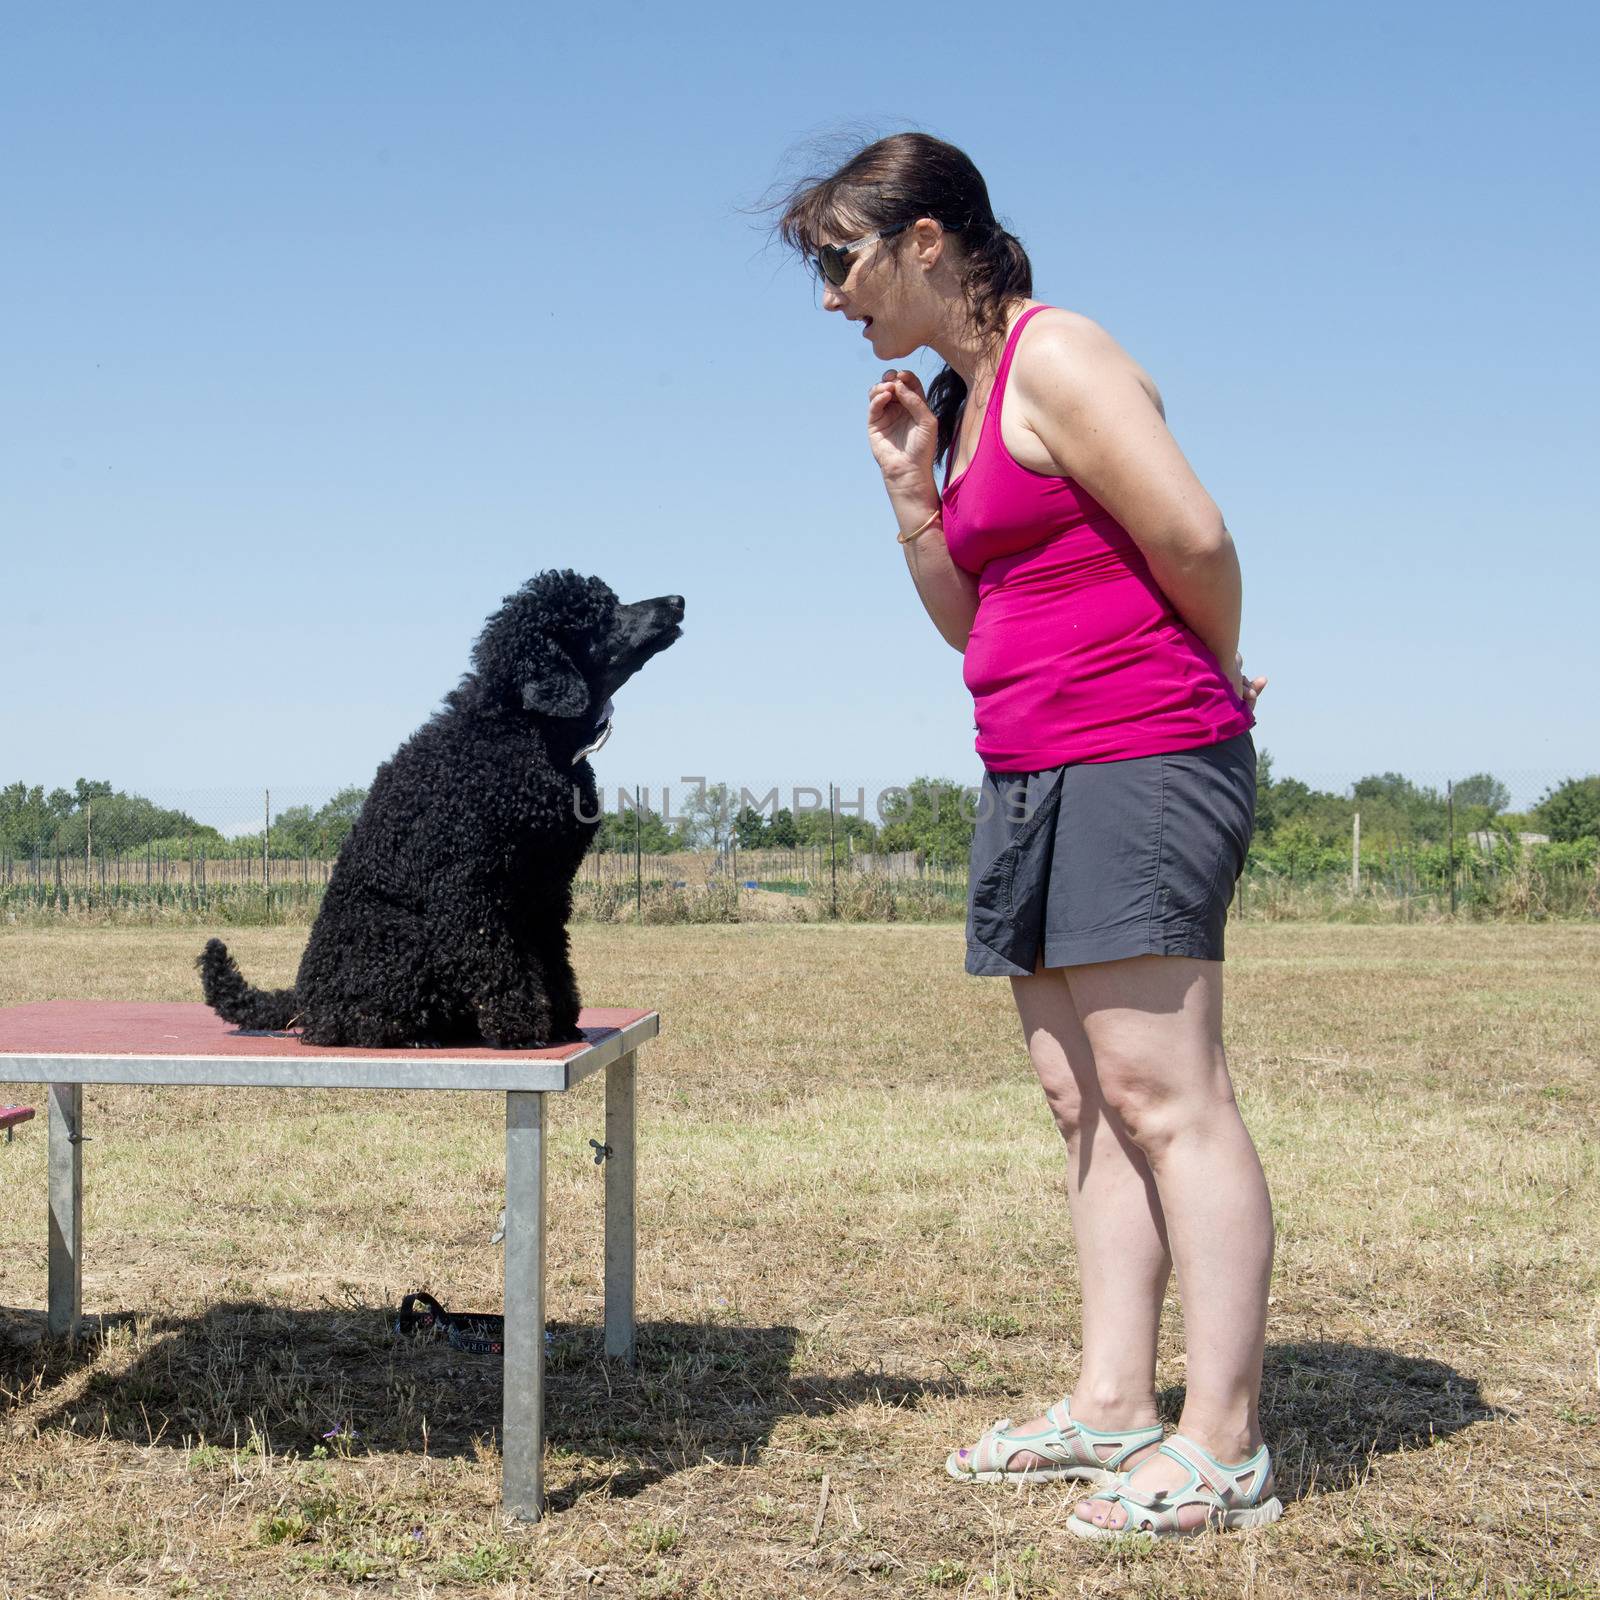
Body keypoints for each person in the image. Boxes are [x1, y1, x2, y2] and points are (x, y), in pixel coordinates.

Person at [775, 132, 1282, 1540]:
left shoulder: (1060, 357)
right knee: (1083, 1100)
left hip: (1141, 751)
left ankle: (1224, 1443)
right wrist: (913, 495)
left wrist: (1221, 677)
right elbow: (970, 623)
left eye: (840, 259)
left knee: (1166, 1093)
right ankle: (1115, 1403)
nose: (830, 297)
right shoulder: (969, 393)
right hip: (1029, 769)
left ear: (927, 241)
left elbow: (1192, 535)